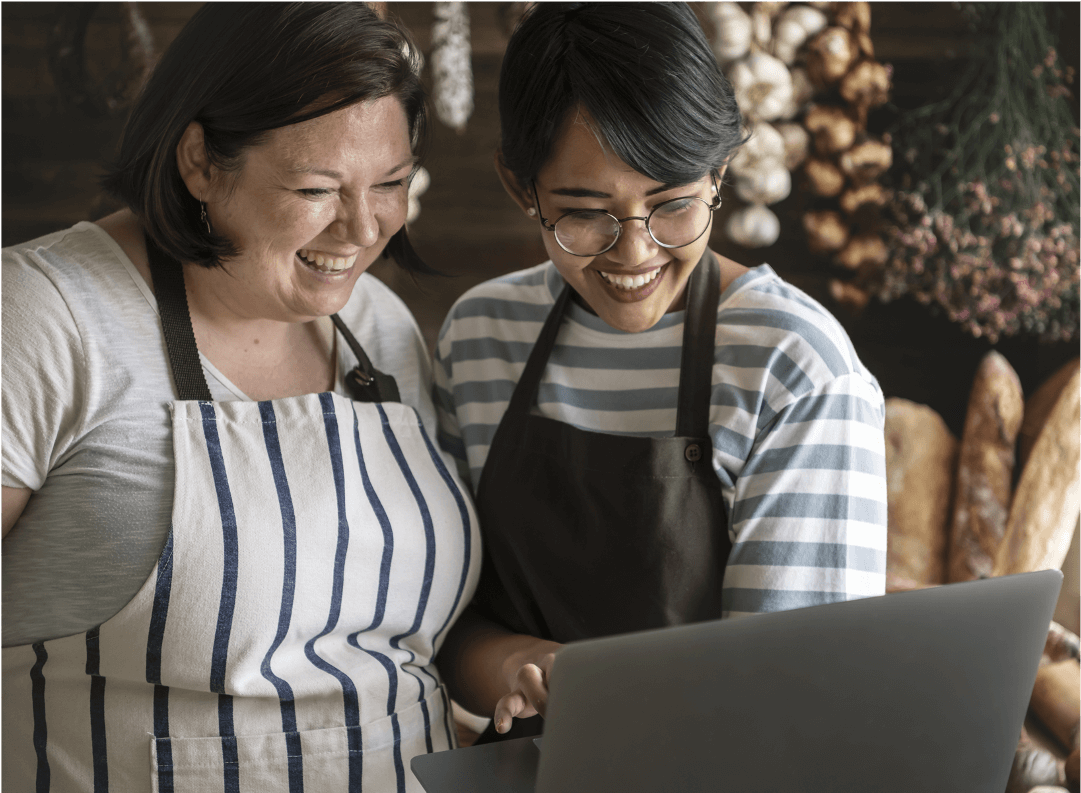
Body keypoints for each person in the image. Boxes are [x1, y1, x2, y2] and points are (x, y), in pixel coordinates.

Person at [0, 3, 479, 790]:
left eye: (391, 183)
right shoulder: (44, 316)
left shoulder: (378, 325)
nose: (363, 228)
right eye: (318, 187)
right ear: (199, 161)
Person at [434, 1, 887, 742]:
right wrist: (521, 663)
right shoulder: (481, 334)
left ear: (719, 171)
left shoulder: (794, 365)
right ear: (521, 188)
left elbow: (802, 700)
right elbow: (443, 619)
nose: (634, 254)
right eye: (583, 214)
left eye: (672, 204)